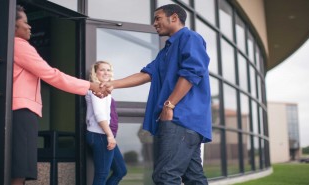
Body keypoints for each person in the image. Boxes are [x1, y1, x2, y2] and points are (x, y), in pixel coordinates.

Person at [101, 4, 212, 185]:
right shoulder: (166, 50)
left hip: (181, 119)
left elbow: (193, 72)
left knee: (165, 177)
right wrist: (113, 84)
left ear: (174, 17)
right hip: (184, 122)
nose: (154, 23)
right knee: (194, 178)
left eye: (158, 18)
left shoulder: (190, 38)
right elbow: (147, 74)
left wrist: (170, 105)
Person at [12, 5, 109, 185]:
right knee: (19, 171)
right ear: (13, 26)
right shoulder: (19, 46)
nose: (29, 26)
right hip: (21, 112)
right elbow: (52, 75)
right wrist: (90, 85)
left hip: (2, 112)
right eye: (25, 22)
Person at [85, 61, 127, 185]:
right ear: (95, 72)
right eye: (102, 70)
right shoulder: (97, 88)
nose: (106, 72)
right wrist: (109, 136)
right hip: (100, 135)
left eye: (108, 70)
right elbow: (100, 115)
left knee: (120, 171)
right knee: (101, 175)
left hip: (103, 135)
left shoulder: (103, 88)